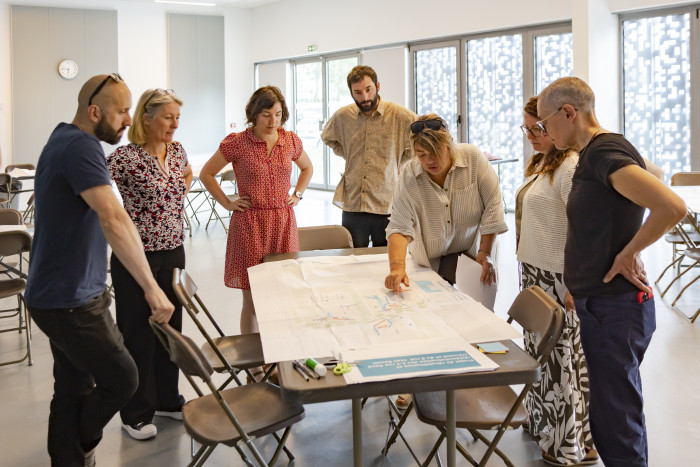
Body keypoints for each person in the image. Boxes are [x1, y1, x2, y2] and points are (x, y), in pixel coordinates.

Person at [25, 74, 174, 467]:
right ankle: (80, 444)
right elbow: (113, 217)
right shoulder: (80, 146)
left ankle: (70, 458)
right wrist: (151, 287)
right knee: (123, 378)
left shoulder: (64, 139)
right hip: (69, 300)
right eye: (122, 111)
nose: (129, 119)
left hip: (66, 293)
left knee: (72, 386)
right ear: (95, 112)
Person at [537, 76, 686, 467]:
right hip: (603, 304)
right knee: (612, 412)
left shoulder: (603, 151)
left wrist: (630, 251)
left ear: (568, 112)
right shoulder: (597, 152)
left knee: (615, 420)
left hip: (614, 307)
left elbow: (672, 206)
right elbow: (652, 175)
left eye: (545, 123)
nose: (545, 132)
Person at [199, 86, 312, 357]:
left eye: (278, 114)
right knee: (252, 299)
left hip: (283, 224)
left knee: (283, 294)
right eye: (266, 114)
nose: (273, 121)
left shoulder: (290, 141)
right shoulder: (237, 142)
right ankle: (254, 363)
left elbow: (307, 167)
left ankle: (279, 356)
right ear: (254, 114)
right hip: (250, 225)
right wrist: (227, 203)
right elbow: (207, 174)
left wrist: (297, 194)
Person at [516, 96, 598, 466]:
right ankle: (542, 425)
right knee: (540, 357)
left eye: (538, 128)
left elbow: (582, 228)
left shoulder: (570, 165)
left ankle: (569, 443)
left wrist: (574, 283)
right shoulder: (542, 162)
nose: (532, 135)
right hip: (535, 272)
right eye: (527, 129)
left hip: (557, 276)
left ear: (555, 124)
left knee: (562, 361)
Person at [107, 88, 192, 440]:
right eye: (168, 117)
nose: (175, 124)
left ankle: (168, 400)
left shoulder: (177, 151)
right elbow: (90, 187)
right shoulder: (125, 157)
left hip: (174, 250)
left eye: (177, 117)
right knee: (138, 336)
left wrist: (177, 196)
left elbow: (187, 174)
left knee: (171, 332)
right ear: (147, 118)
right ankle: (136, 413)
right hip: (135, 257)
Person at [385, 114, 507, 292]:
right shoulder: (410, 175)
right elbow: (399, 226)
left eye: (435, 152)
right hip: (428, 260)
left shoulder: (472, 158)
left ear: (450, 142)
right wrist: (397, 268)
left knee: (473, 305)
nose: (429, 160)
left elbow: (493, 206)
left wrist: (485, 252)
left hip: (472, 254)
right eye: (421, 154)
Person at [322, 65, 417, 248]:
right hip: (353, 203)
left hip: (386, 204)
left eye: (368, 89)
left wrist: (400, 159)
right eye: (357, 93)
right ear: (351, 92)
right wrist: (349, 154)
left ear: (377, 86)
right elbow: (328, 137)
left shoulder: (399, 115)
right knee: (352, 257)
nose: (364, 97)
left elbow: (421, 137)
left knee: (385, 256)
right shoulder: (343, 116)